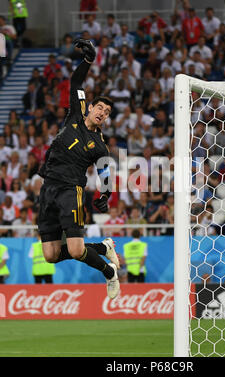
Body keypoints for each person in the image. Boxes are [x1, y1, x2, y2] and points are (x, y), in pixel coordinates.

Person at [37, 39, 120, 299]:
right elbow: (77, 83)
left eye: (107, 112)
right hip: (48, 189)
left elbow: (106, 173)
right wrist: (87, 61)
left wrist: (105, 196)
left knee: (74, 250)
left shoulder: (99, 145)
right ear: (91, 107)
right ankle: (103, 247)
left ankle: (109, 273)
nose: (102, 113)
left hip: (70, 191)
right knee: (50, 256)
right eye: (100, 108)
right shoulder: (76, 112)